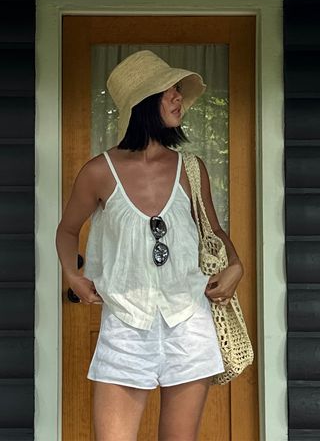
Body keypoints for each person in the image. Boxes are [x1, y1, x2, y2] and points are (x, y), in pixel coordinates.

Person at [56, 50, 244, 441]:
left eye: (179, 90)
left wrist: (236, 265)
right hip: (125, 326)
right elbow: (68, 229)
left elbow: (213, 230)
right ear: (143, 103)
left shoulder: (190, 168)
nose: (179, 98)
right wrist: (73, 274)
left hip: (189, 322)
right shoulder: (98, 172)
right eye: (169, 91)